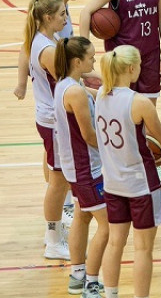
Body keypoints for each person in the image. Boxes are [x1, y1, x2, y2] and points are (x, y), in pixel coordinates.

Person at [79, 0, 161, 186]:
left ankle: (151, 162)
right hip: (122, 59)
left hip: (150, 56)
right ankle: (119, 163)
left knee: (148, 112)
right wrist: (84, 48)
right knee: (122, 113)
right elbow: (86, 11)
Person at [14, 0, 90, 236]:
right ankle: (55, 227)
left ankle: (59, 213)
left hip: (52, 105)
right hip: (54, 109)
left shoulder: (52, 18)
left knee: (54, 166)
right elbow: (63, 77)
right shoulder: (49, 30)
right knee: (58, 177)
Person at [95, 45, 161, 298]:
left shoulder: (99, 95)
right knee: (142, 250)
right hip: (141, 184)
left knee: (116, 243)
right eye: (139, 65)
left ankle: (111, 294)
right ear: (131, 69)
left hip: (113, 183)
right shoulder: (139, 103)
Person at [53, 36, 108, 298]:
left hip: (75, 166)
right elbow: (88, 135)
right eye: (90, 58)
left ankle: (77, 277)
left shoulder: (66, 85)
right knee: (108, 226)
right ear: (77, 61)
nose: (93, 61)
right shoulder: (75, 91)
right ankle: (91, 284)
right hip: (86, 167)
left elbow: (96, 94)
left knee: (83, 217)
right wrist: (112, 153)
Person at [19, 0, 71, 260]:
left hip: (49, 117)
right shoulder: (48, 49)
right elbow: (70, 84)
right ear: (48, 18)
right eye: (62, 13)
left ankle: (54, 233)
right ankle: (52, 239)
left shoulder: (43, 40)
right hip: (54, 121)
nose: (66, 17)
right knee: (58, 182)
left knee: (60, 179)